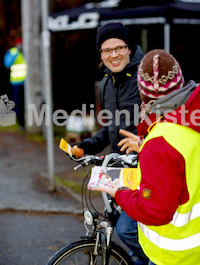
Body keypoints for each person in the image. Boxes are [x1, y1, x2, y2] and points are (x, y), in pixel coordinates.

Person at [92, 49, 200, 265]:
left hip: (175, 255)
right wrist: (145, 145)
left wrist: (118, 192)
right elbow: (185, 152)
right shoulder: (189, 117)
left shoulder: (161, 141)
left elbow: (155, 212)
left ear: (143, 93)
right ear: (180, 80)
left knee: (126, 228)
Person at [72, 21, 148, 264]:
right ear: (101, 54)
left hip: (148, 167)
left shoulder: (145, 78)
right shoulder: (106, 83)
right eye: (107, 50)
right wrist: (86, 146)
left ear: (128, 48)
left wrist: (144, 142)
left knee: (127, 228)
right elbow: (110, 128)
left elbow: (168, 122)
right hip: (120, 171)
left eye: (119, 48)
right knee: (116, 225)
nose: (113, 54)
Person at [4, 37, 27, 129]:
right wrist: (17, 52)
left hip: (28, 83)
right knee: (19, 103)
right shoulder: (13, 52)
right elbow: (7, 63)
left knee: (28, 104)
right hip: (16, 83)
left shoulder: (27, 51)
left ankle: (30, 122)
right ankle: (21, 123)